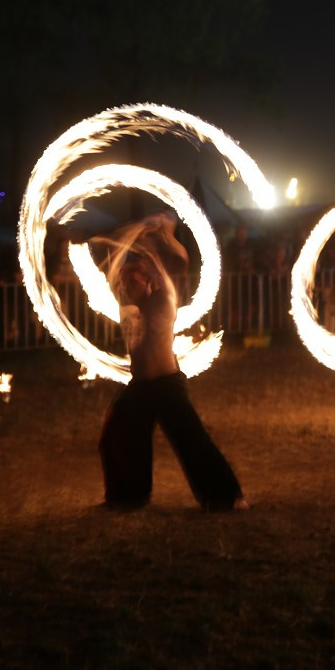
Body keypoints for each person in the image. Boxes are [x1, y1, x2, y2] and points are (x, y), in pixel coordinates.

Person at [95, 214, 246, 511]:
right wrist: (125, 238)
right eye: (126, 281)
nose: (128, 283)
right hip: (139, 387)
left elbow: (179, 259)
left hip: (166, 385)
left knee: (191, 441)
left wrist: (155, 231)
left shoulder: (163, 300)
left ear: (149, 279)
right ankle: (128, 496)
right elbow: (113, 269)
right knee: (115, 436)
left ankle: (229, 497)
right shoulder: (128, 310)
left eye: (134, 278)